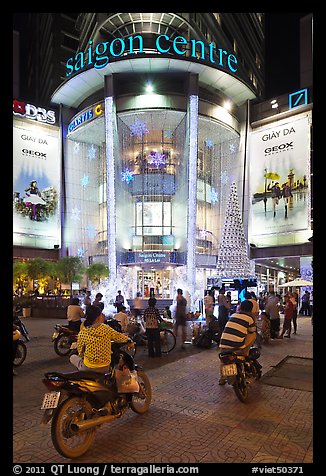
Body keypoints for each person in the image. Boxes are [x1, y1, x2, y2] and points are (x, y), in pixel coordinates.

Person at [70, 305, 131, 373]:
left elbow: (80, 351)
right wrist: (130, 340)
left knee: (72, 357)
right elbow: (119, 337)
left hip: (88, 367)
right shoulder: (106, 329)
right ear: (98, 317)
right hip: (105, 367)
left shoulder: (83, 332)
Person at [218, 300, 257, 384]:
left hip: (223, 345)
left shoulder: (233, 315)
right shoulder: (249, 318)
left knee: (224, 360)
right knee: (253, 334)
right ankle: (245, 352)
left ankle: (222, 378)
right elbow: (252, 331)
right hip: (237, 347)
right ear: (251, 310)